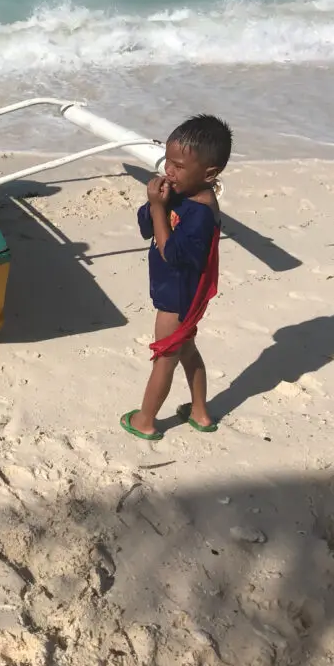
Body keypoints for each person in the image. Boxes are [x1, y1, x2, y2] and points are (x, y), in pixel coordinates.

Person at [120, 114, 232, 441]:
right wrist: (154, 204)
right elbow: (146, 229)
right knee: (187, 351)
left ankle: (145, 420)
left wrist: (159, 208)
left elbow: (172, 253)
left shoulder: (200, 214)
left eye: (179, 166)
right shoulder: (181, 194)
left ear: (209, 173)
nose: (169, 171)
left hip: (179, 298)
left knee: (165, 358)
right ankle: (200, 412)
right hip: (174, 290)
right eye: (168, 162)